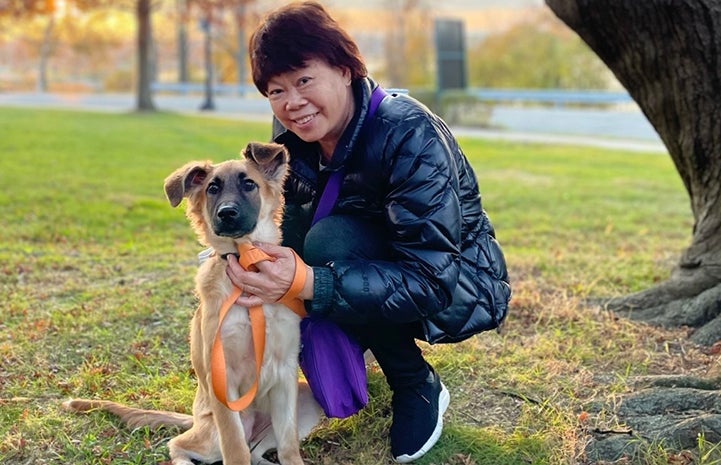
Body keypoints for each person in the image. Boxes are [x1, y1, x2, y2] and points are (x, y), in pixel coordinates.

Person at [224, 1, 511, 462]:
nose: (292, 102)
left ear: (343, 68)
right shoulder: (294, 128)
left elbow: (432, 278)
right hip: (369, 269)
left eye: (303, 80)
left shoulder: (409, 132)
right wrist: (261, 272)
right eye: (276, 91)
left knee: (329, 244)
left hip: (455, 281)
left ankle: (415, 383)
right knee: (303, 248)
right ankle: (352, 346)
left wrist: (308, 282)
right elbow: (292, 216)